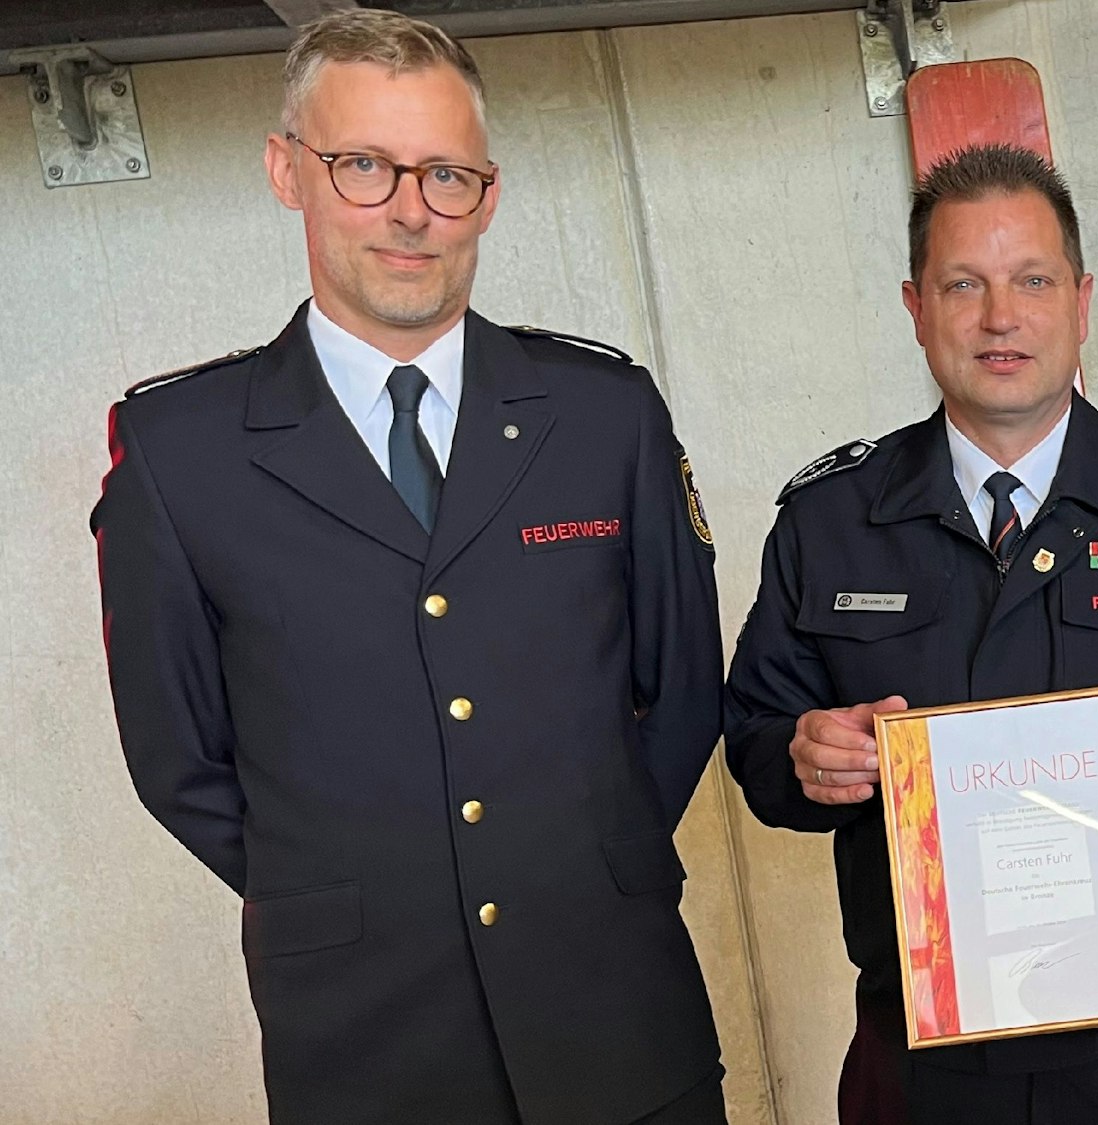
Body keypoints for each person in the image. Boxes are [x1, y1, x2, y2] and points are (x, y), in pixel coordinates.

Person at [90, 11, 727, 1123]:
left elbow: (680, 695)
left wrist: (579, 858)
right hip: (364, 1043)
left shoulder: (601, 415)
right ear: (288, 172)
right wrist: (358, 890)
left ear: (487, 192)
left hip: (619, 1020)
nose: (409, 212)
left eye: (446, 175)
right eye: (364, 166)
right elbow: (177, 759)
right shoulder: (178, 452)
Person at [723, 144, 1098, 1124]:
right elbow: (758, 741)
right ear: (915, 306)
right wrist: (803, 758)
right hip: (924, 1067)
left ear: (1081, 302)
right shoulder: (828, 522)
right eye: (962, 284)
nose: (999, 317)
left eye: (1031, 281)